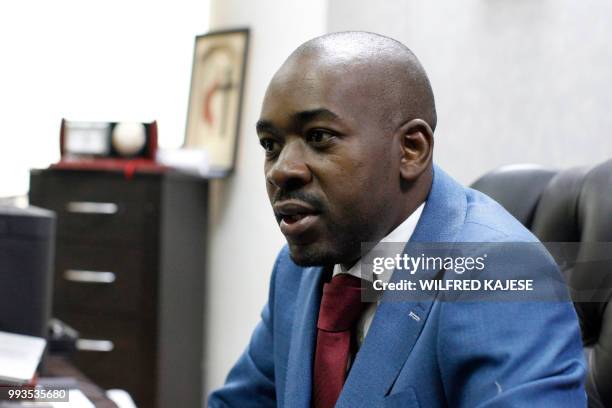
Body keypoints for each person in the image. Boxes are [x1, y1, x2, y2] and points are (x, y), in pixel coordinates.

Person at [208, 31, 586, 407]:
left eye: (320, 136)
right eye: (271, 145)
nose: (281, 171)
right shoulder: (298, 271)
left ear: (411, 150)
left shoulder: (500, 274)